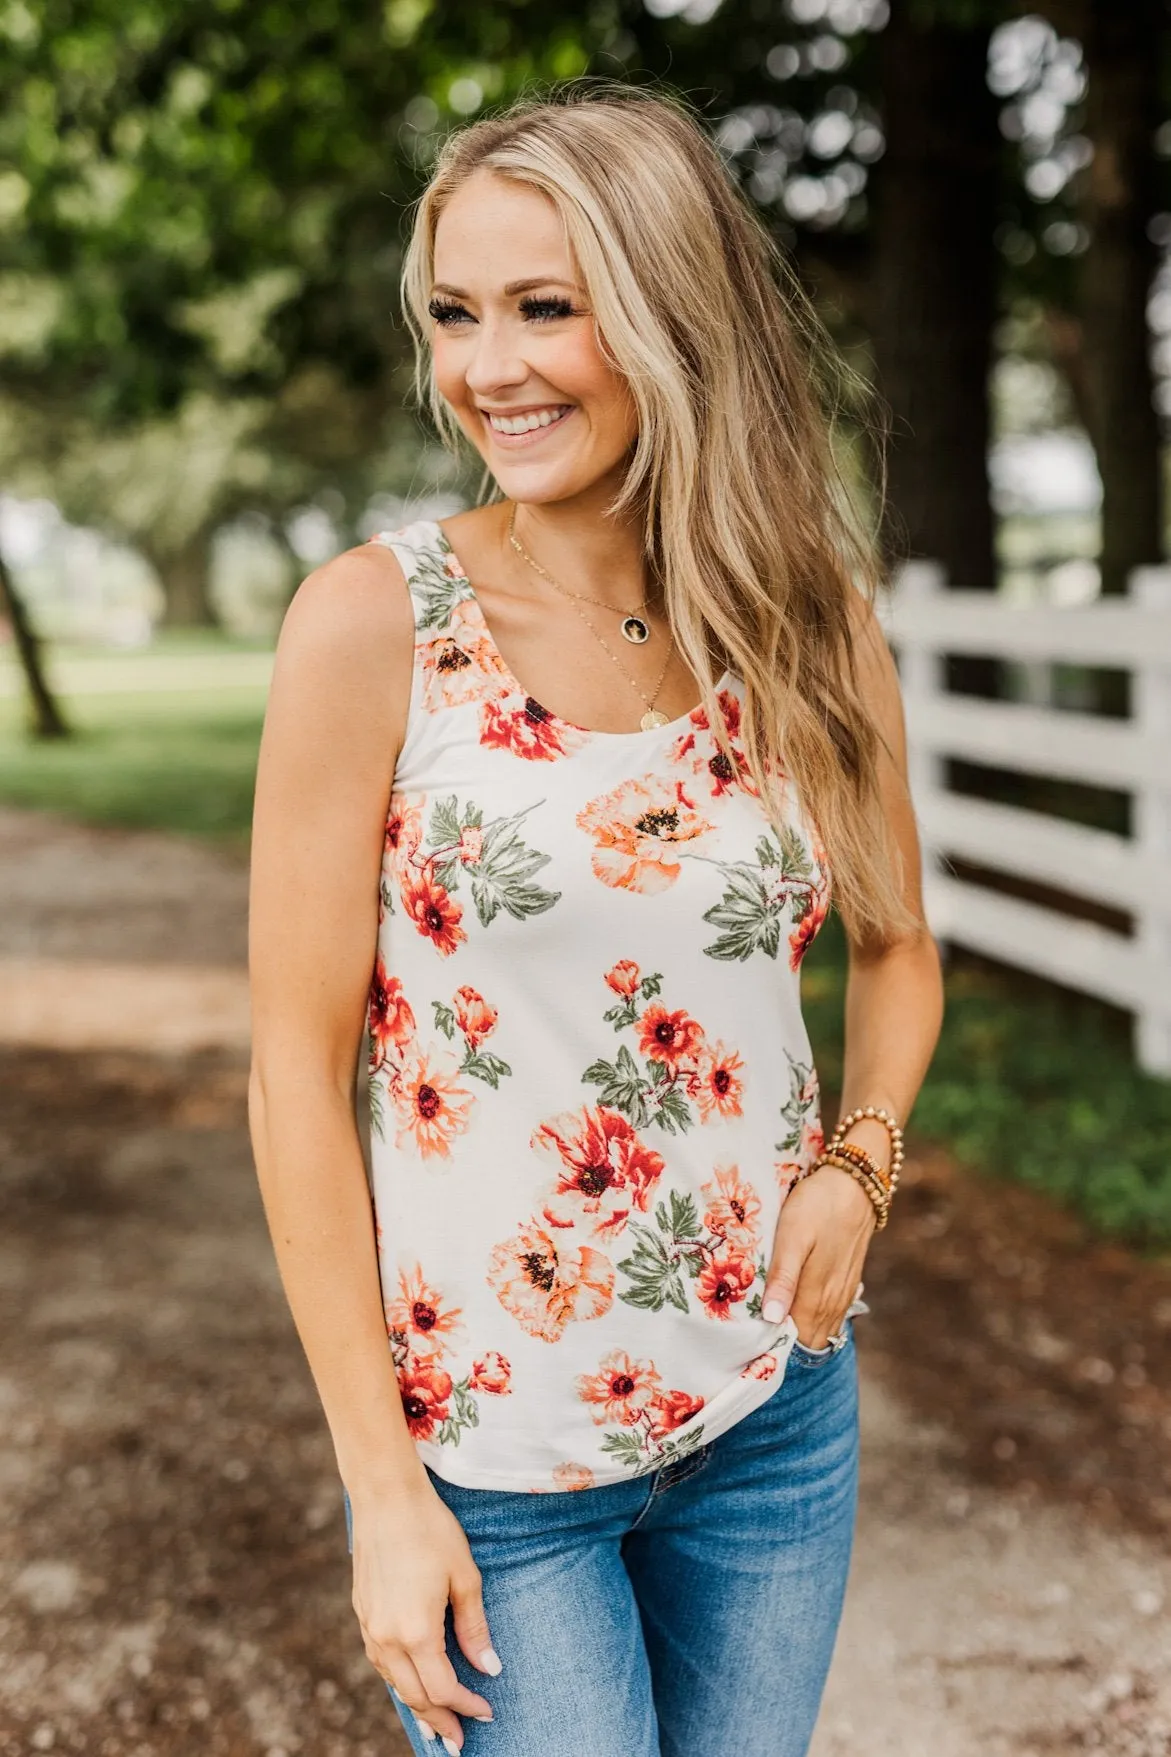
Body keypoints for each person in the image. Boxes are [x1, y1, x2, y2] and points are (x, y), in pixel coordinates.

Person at [248, 82, 943, 1757]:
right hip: (491, 1460)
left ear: (665, 312)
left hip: (771, 1411)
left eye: (545, 308)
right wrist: (379, 1493)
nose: (487, 368)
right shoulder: (375, 623)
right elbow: (291, 1062)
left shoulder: (803, 620)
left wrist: (858, 1164)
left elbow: (900, 948)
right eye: (456, 313)